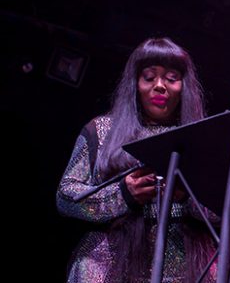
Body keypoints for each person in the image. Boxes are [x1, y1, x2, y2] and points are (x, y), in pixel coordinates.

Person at [57, 38, 217, 283]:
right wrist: (123, 195)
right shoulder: (102, 130)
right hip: (105, 265)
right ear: (135, 83)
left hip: (185, 267)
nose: (160, 86)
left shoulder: (202, 138)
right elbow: (66, 197)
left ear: (184, 86)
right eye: (149, 77)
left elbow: (226, 211)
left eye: (171, 78)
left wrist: (186, 196)